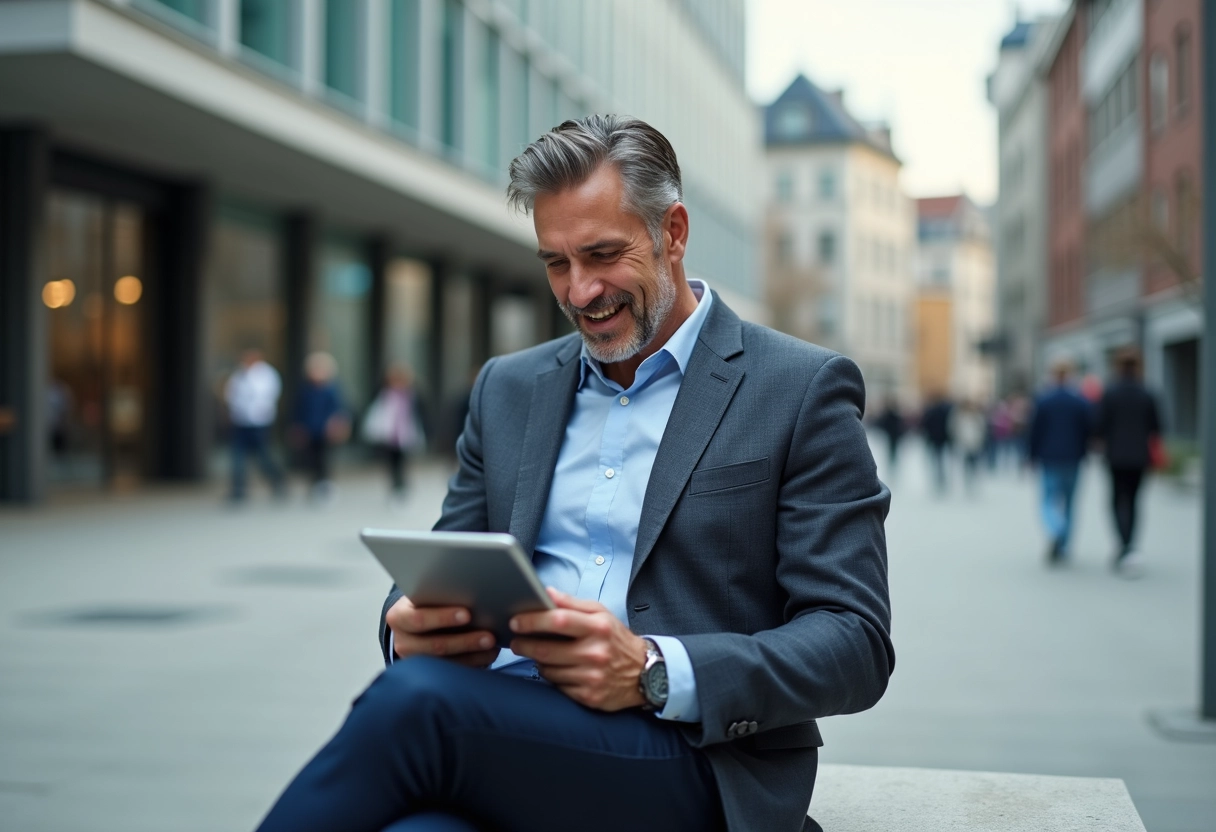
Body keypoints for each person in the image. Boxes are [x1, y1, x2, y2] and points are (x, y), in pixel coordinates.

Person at [255, 116, 893, 832]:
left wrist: (654, 669)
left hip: (689, 756)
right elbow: (437, 567)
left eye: (602, 254)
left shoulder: (798, 388)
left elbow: (855, 641)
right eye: (556, 263)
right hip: (506, 727)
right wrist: (408, 629)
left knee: (419, 704)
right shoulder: (508, 388)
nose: (580, 291)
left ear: (673, 232)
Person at [1096, 349, 1162, 575]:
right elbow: (1157, 427)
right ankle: (1130, 545)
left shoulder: (1111, 392)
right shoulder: (1147, 393)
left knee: (1116, 501)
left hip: (1115, 456)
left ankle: (1123, 544)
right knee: (1134, 501)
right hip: (1139, 456)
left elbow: (1099, 425)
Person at [1027, 359, 1093, 564]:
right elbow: (1089, 430)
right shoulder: (1080, 401)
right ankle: (1063, 545)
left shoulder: (1043, 400)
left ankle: (1056, 529)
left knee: (1048, 500)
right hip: (1073, 458)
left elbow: (1034, 431)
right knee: (1070, 503)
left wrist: (1031, 455)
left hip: (1049, 458)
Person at [223, 348, 285, 502]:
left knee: (264, 457)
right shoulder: (239, 375)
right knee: (238, 457)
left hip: (259, 422)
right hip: (241, 422)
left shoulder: (267, 374)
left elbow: (268, 396)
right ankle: (238, 490)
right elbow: (231, 395)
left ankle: (278, 482)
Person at [290, 351, 348, 501]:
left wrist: (337, 425)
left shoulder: (331, 390)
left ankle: (325, 486)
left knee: (325, 459)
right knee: (311, 460)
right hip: (310, 430)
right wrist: (297, 427)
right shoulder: (305, 390)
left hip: (325, 431)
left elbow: (339, 410)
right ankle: (314, 486)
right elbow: (298, 410)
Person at [363, 364, 426, 498]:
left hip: (406, 434)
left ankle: (402, 485)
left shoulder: (412, 395)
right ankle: (394, 486)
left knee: (403, 461)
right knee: (391, 462)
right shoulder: (383, 394)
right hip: (389, 435)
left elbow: (421, 414)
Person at [950, 399, 987, 494]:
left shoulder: (977, 416)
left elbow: (982, 429)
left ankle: (974, 479)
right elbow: (953, 428)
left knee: (974, 463)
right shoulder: (959, 416)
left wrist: (980, 440)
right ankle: (968, 480)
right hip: (964, 443)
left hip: (975, 443)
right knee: (966, 463)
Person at [920, 392, 953, 494]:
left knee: (937, 459)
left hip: (935, 439)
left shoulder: (931, 411)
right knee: (939, 459)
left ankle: (939, 478)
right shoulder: (944, 411)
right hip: (940, 439)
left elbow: (926, 425)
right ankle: (940, 478)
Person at [874, 396, 906, 472]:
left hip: (892, 435)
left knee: (892, 449)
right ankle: (893, 462)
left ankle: (893, 462)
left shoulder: (891, 415)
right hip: (893, 435)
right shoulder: (894, 415)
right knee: (893, 449)